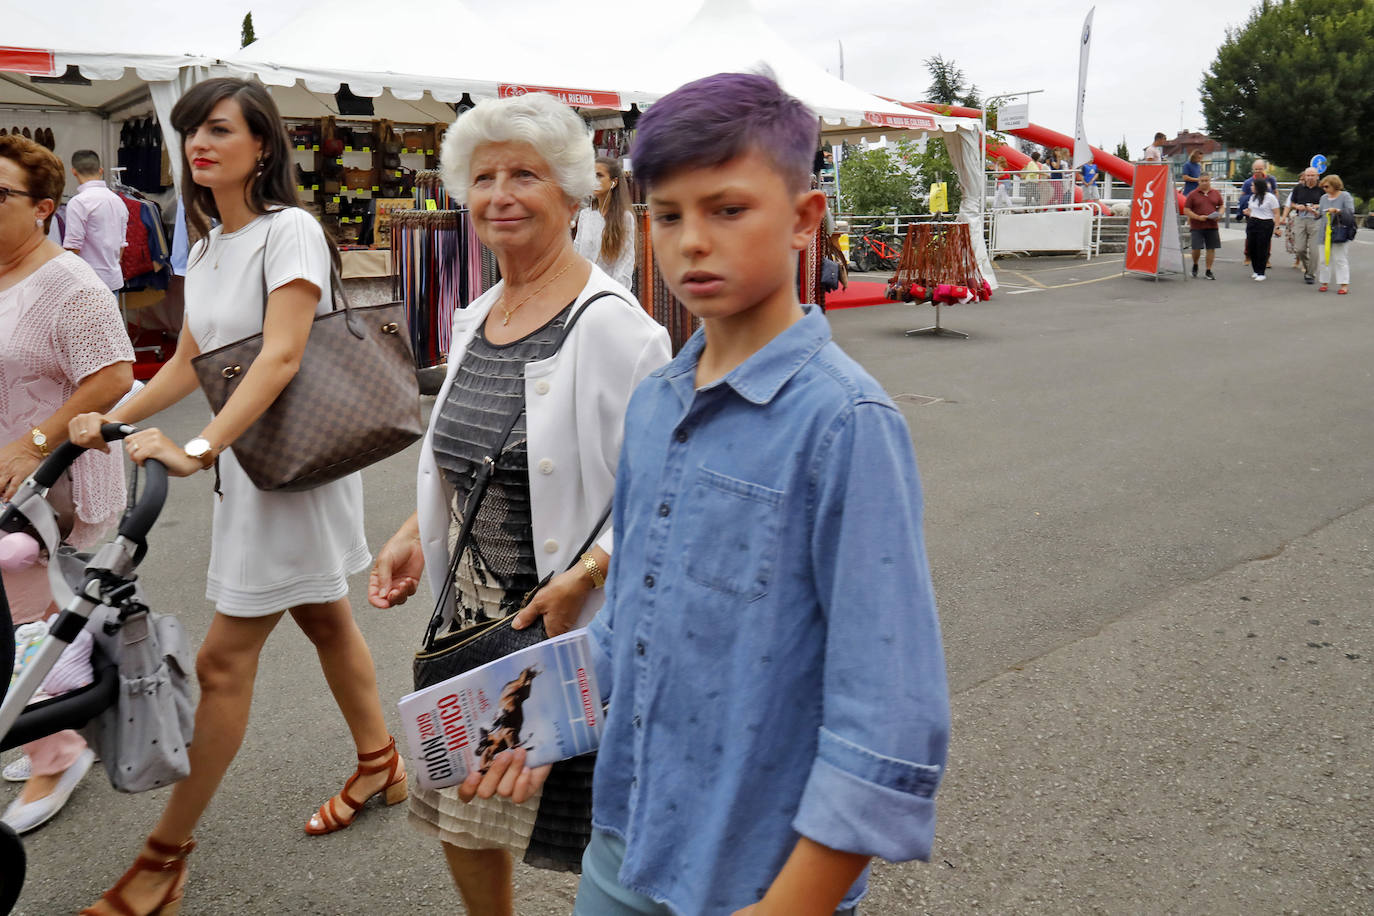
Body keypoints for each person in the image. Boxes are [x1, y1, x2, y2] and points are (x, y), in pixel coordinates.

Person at [467, 71, 951, 916]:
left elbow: (889, 709)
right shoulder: (657, 403)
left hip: (758, 870)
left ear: (805, 221)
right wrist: (543, 724)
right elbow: (633, 617)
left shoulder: (845, 425)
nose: (692, 240)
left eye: (727, 210)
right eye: (668, 215)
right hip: (626, 835)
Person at [69, 78, 402, 916]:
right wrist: (111, 417)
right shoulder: (211, 243)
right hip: (250, 471)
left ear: (263, 145)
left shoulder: (290, 231)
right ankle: (380, 762)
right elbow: (189, 358)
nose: (199, 146)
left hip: (288, 469)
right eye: (190, 133)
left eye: (219, 129)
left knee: (221, 663)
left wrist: (194, 446)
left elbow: (282, 356)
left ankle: (161, 859)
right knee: (326, 617)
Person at [366, 90, 670, 916]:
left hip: (565, 630)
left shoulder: (615, 330)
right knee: (465, 813)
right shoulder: (474, 317)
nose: (500, 193)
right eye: (485, 174)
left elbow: (659, 494)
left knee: (597, 830)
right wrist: (413, 531)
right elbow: (466, 458)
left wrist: (591, 573)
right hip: (471, 624)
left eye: (525, 174)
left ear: (575, 193)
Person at [0, 134, 133, 834]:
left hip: (48, 484)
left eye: (1, 194)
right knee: (22, 619)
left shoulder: (70, 283)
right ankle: (47, 731)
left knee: (36, 623)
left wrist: (33, 441)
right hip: (10, 479)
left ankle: (56, 750)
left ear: (43, 207)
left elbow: (113, 376)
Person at [62, 149, 128, 293]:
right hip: (113, 279)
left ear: (73, 171)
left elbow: (73, 247)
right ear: (101, 170)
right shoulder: (118, 201)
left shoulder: (78, 203)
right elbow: (122, 244)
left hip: (87, 282)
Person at [573, 155, 636, 289]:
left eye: (599, 176)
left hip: (609, 293)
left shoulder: (625, 218)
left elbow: (625, 262)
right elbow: (576, 253)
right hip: (583, 290)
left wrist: (613, 293)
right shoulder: (585, 216)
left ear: (614, 182)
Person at [1316, 173, 1355, 295]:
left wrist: (1337, 211)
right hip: (1324, 232)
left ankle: (1344, 284)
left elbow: (1350, 212)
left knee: (1340, 259)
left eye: (1327, 186)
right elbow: (1320, 213)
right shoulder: (1323, 198)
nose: (1325, 189)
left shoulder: (1345, 196)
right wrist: (1314, 212)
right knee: (1323, 259)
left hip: (1339, 231)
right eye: (1323, 187)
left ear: (1335, 185)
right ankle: (1324, 282)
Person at [1283, 167, 1323, 284]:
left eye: (1312, 175)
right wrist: (1297, 206)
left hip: (1316, 220)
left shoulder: (1321, 189)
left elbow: (1326, 202)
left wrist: (1317, 206)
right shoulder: (1298, 188)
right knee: (1299, 248)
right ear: (1304, 176)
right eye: (1308, 175)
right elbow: (1292, 203)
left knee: (1314, 250)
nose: (1310, 178)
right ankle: (1309, 267)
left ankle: (1310, 274)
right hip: (1300, 219)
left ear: (1317, 176)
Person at [1183, 172, 1223, 280]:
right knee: (1196, 248)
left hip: (1212, 225)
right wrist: (1197, 217)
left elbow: (1221, 205)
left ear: (1210, 181)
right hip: (1197, 226)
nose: (1205, 183)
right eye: (1202, 181)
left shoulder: (1215, 193)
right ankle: (1195, 264)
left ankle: (1208, 270)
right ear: (1199, 181)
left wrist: (1219, 214)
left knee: (1211, 248)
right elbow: (1186, 210)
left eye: (1207, 180)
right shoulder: (1192, 194)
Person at [1238, 160, 1277, 267]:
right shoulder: (1248, 182)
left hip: (1267, 214)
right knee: (1250, 236)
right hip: (1253, 213)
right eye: (1256, 169)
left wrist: (1275, 210)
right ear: (1253, 170)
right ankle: (1248, 256)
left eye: (1260, 169)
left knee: (1266, 237)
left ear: (1265, 168)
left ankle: (1266, 259)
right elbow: (1242, 196)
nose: (1258, 171)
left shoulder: (1271, 179)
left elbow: (1275, 193)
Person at [1243, 176, 1281, 281]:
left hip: (1265, 223)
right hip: (1253, 222)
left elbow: (1276, 213)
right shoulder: (1252, 197)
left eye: (1253, 186)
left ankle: (1261, 271)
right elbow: (1251, 210)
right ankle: (1255, 270)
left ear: (1258, 187)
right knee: (1252, 247)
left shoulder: (1270, 197)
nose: (1251, 187)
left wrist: (1277, 226)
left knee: (1262, 248)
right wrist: (1247, 212)